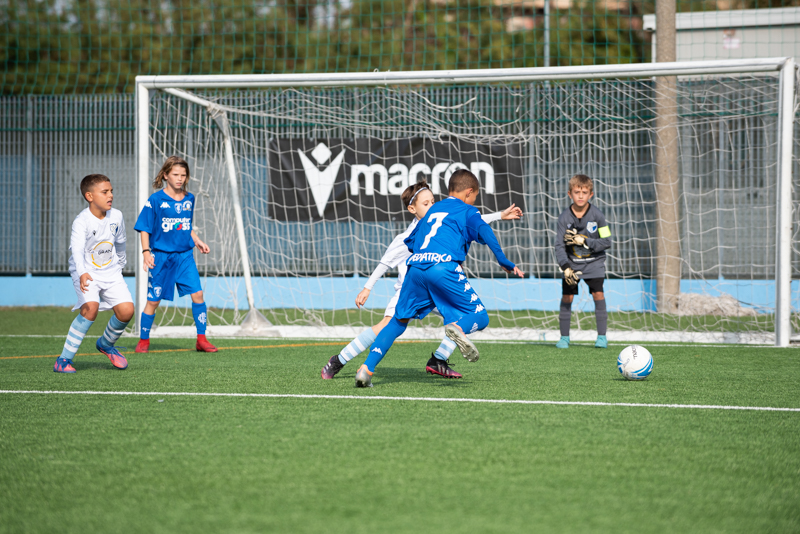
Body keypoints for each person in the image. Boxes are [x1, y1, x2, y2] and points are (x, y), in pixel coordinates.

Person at [321, 180, 522, 380]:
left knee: (457, 319)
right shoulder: (407, 236)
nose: (432, 206)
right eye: (426, 203)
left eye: (433, 201)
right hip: (411, 288)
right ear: (412, 209)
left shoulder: (439, 220)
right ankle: (339, 359)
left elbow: (466, 218)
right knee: (387, 325)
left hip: (431, 286)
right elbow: (385, 263)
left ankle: (438, 360)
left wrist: (499, 215)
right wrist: (367, 288)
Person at [133, 156, 217, 353]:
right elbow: (144, 228)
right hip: (161, 257)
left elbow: (185, 225)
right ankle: (144, 341)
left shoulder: (190, 198)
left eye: (183, 175)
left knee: (198, 294)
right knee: (153, 301)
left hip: (185, 257)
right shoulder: (155, 200)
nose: (180, 179)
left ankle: (201, 339)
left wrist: (197, 240)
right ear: (165, 175)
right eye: (176, 174)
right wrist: (146, 252)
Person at [54, 174, 134, 373]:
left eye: (111, 191)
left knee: (126, 311)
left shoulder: (117, 216)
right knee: (91, 308)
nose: (111, 195)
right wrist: (82, 273)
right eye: (105, 192)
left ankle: (106, 344)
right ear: (89, 196)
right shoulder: (81, 221)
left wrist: (121, 262)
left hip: (111, 271)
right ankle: (63, 360)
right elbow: (77, 251)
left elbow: (121, 242)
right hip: (86, 271)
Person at [554, 174, 611, 349]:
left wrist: (585, 241)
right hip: (572, 264)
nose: (580, 196)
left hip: (594, 263)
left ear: (590, 194)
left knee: (598, 295)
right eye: (576, 192)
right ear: (569, 194)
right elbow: (559, 246)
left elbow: (607, 241)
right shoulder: (564, 218)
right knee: (567, 297)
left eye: (584, 192)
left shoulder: (598, 215)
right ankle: (564, 338)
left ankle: (602, 337)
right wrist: (565, 267)